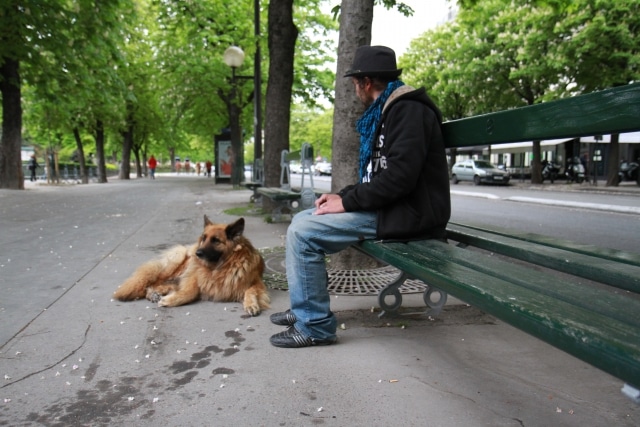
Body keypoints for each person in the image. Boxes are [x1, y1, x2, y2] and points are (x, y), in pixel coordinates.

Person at [269, 45, 451, 348]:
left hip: (411, 214)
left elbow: (400, 178)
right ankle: (306, 309)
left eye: (355, 83)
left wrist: (348, 202)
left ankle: (314, 326)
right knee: (304, 217)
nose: (355, 89)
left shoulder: (408, 110)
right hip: (394, 207)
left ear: (366, 82)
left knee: (303, 232)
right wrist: (340, 196)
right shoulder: (388, 111)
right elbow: (379, 177)